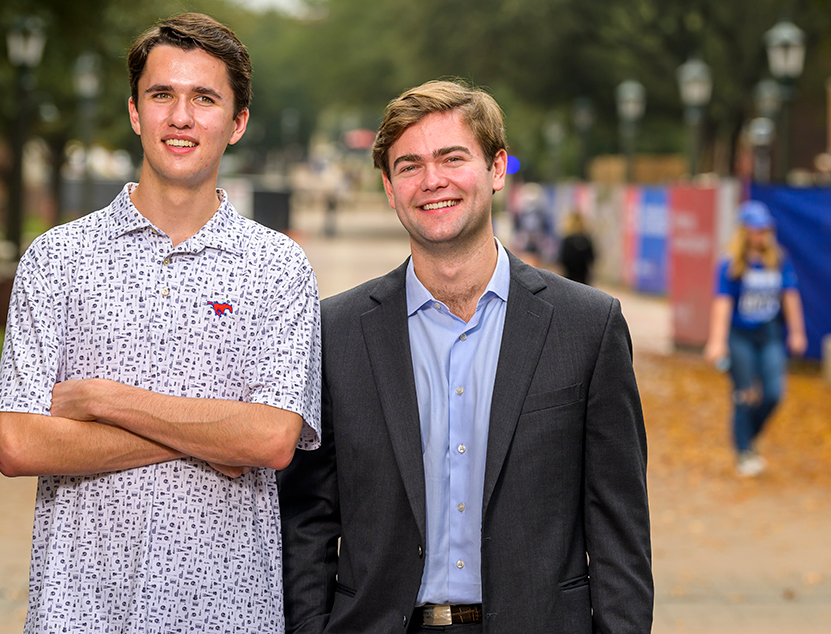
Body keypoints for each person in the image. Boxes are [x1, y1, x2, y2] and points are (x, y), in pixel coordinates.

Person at [279, 79, 653, 633]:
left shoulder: (587, 327)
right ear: (388, 187)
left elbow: (620, 529)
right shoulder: (335, 331)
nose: (432, 181)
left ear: (497, 169)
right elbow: (308, 516)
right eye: (408, 166)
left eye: (452, 157)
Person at [0, 13, 321, 632]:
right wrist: (209, 437)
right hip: (80, 611)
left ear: (238, 122)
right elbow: (19, 443)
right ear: (136, 112)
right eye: (162, 94)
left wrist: (104, 400)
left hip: (226, 611)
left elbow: (270, 441)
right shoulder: (57, 258)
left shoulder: (279, 267)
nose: (181, 116)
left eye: (205, 98)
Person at [703, 200, 807, 477]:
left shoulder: (778, 260)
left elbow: (790, 296)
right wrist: (717, 340)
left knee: (774, 393)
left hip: (769, 334)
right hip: (740, 337)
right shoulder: (730, 265)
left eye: (764, 229)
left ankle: (749, 437)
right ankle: (744, 451)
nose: (761, 235)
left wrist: (797, 332)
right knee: (744, 394)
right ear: (744, 231)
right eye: (755, 229)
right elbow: (722, 304)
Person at [558, 210, 596, 284]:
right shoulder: (586, 239)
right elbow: (592, 257)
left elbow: (562, 259)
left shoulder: (567, 239)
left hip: (569, 276)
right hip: (583, 276)